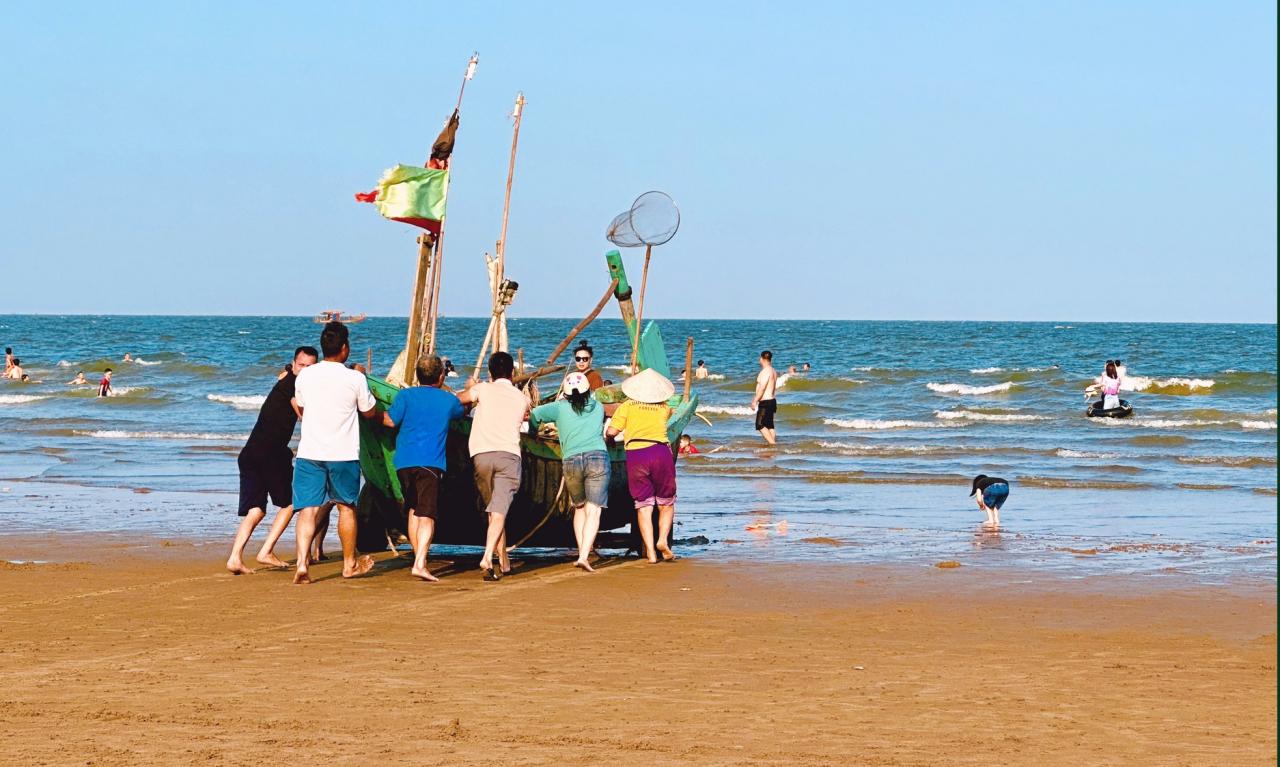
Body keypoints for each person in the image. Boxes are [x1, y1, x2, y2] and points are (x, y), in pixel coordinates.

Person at [290, 322, 380, 585]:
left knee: (307, 510)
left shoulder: (305, 376)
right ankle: (349, 564)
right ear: (344, 348)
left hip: (310, 451)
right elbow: (369, 412)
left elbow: (303, 407)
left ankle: (301, 564)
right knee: (346, 508)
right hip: (342, 453)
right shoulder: (354, 378)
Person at [226, 346, 319, 575]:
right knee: (291, 503)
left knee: (256, 510)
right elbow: (303, 414)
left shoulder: (286, 379)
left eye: (310, 367)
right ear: (294, 363)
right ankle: (266, 551)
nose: (305, 370)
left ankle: (235, 558)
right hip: (270, 453)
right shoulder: (293, 385)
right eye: (302, 365)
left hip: (250, 453)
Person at [382, 354, 464, 582]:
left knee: (413, 510)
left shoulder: (405, 395)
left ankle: (420, 558)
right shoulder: (447, 400)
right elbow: (462, 410)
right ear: (441, 376)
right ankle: (419, 563)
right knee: (427, 514)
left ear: (418, 376)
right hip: (430, 463)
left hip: (403, 463)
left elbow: (389, 420)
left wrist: (371, 414)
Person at [457, 351, 531, 581]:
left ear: (490, 372)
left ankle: (504, 560)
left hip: (481, 455)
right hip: (508, 455)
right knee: (498, 511)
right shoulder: (521, 397)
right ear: (512, 373)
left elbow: (458, 399)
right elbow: (526, 417)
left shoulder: (482, 389)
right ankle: (488, 556)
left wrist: (470, 386)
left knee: (494, 511)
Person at [529, 372, 610, 572]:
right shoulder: (598, 407)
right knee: (594, 510)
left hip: (571, 460)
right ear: (588, 390)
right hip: (597, 457)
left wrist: (533, 434)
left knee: (579, 507)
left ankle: (582, 551)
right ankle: (584, 555)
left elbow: (535, 415)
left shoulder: (559, 408)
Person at [606, 368, 677, 564]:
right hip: (660, 452)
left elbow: (612, 430)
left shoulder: (628, 407)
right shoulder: (663, 408)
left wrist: (609, 437)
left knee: (643, 506)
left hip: (637, 454)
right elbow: (671, 414)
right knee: (666, 502)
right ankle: (662, 541)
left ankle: (651, 554)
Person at [750, 350, 778, 445]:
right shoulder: (773, 370)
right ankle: (772, 445)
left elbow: (762, 387)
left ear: (762, 359)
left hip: (766, 402)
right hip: (772, 400)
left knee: (759, 424)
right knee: (769, 425)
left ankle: (773, 444)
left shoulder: (766, 371)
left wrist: (755, 400)